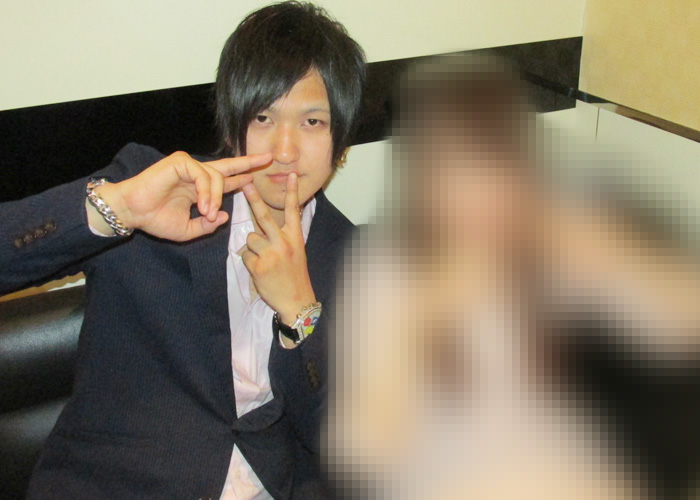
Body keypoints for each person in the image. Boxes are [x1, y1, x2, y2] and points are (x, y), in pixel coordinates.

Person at [1, 2, 365, 499]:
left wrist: (301, 315)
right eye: (263, 116)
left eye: (313, 122)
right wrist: (116, 208)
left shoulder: (361, 259)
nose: (284, 151)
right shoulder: (155, 191)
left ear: (341, 142)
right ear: (231, 124)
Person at [325, 53, 700, 499]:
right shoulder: (384, 268)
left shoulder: (554, 245)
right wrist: (418, 326)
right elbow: (361, 452)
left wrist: (625, 253)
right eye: (450, 170)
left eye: (492, 168)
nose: (474, 195)